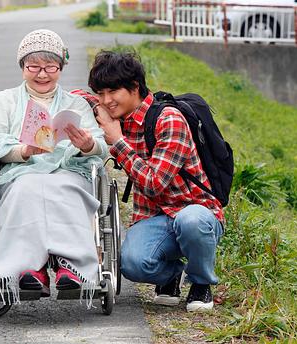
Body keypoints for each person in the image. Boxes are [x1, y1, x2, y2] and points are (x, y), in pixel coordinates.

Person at [0, 29, 108, 302]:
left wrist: (87, 145)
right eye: (34, 66)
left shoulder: (76, 104)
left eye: (50, 67)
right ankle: (27, 269)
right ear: (22, 67)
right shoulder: (4, 101)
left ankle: (71, 266)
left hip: (67, 172)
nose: (42, 74)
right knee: (29, 188)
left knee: (64, 187)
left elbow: (101, 146)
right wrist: (23, 150)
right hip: (21, 174)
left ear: (61, 68)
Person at [88, 51, 224, 312]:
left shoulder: (168, 119)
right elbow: (81, 97)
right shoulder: (117, 115)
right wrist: (91, 104)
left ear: (135, 87)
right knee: (132, 264)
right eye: (100, 93)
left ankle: (200, 283)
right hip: (153, 217)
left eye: (112, 91)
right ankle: (171, 275)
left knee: (191, 222)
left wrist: (118, 141)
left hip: (196, 212)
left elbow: (153, 184)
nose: (106, 100)